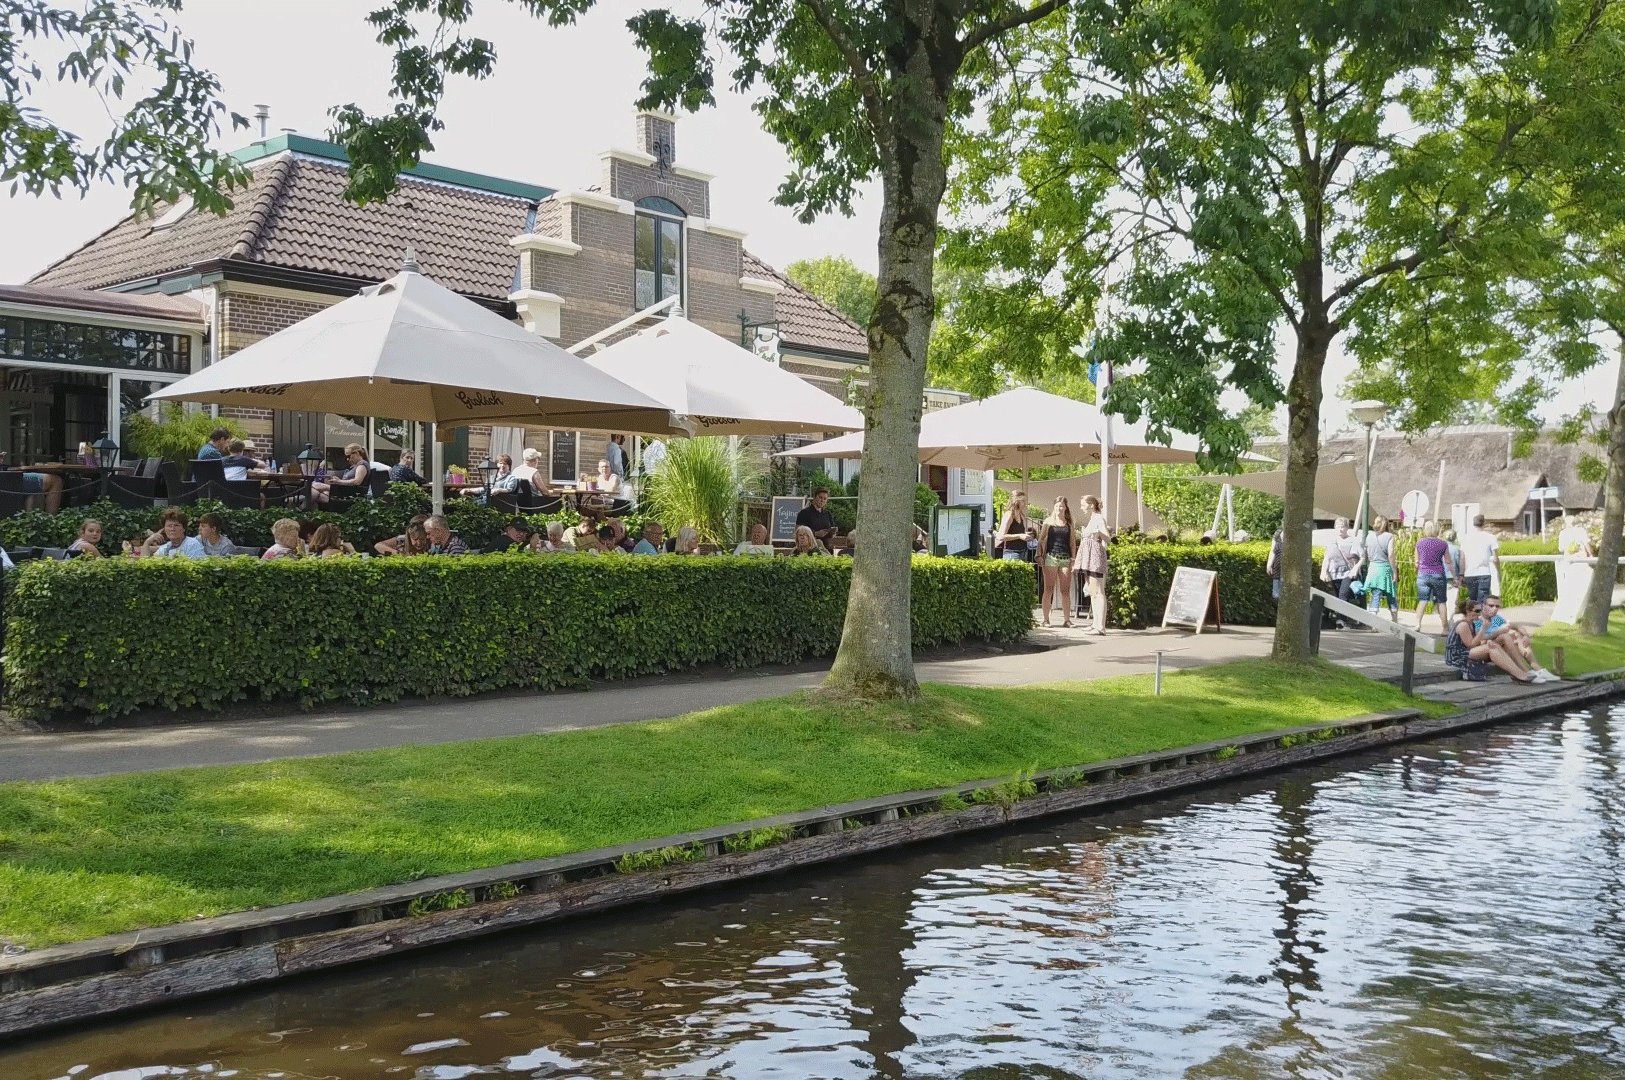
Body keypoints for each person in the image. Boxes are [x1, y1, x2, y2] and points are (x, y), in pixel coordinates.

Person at [1447, 596, 1536, 684]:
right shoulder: (1463, 625)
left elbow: (1477, 642)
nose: (1479, 614)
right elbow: (1471, 645)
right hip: (1457, 656)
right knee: (1491, 648)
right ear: (1468, 611)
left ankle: (1520, 673)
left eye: (1480, 611)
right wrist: (1483, 629)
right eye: (1477, 611)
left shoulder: (1471, 624)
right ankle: (1520, 674)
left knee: (1493, 646)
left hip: (1466, 652)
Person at [1476, 595, 1557, 681]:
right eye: (1491, 606)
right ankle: (1525, 671)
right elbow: (1481, 639)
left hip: (1499, 647)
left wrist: (1525, 635)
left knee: (1516, 635)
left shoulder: (1496, 619)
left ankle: (1538, 669)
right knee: (1505, 636)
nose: (1495, 608)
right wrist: (1499, 631)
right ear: (1483, 606)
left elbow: (1517, 626)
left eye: (1497, 606)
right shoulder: (1478, 620)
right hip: (1488, 649)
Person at [1411, 520, 1458, 635]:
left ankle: (1417, 624)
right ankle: (1445, 628)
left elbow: (1416, 562)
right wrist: (1455, 576)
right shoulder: (1443, 544)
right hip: (1438, 575)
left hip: (1423, 574)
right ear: (1437, 530)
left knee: (1423, 600)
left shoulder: (1420, 543)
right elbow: (1448, 562)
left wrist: (1419, 569)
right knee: (1441, 602)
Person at [1037, 496, 1076, 628]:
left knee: (1065, 590)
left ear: (1065, 507)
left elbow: (1072, 543)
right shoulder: (1048, 522)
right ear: (1054, 507)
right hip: (1051, 557)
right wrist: (1040, 555)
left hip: (1065, 558)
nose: (1059, 508)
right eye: (1057, 506)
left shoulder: (1069, 523)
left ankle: (1067, 620)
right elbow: (1041, 539)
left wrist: (1073, 559)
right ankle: (1046, 619)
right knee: (1048, 589)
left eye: (1062, 506)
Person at [1073, 494, 1109, 635]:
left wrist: (1099, 532)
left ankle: (1101, 626)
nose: (1082, 507)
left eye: (1083, 505)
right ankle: (1096, 624)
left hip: (1094, 558)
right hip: (1088, 559)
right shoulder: (1092, 519)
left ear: (1091, 505)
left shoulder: (1099, 519)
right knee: (1093, 592)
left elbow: (1108, 538)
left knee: (1098, 592)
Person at [1319, 517, 1363, 629]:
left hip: (1348, 573)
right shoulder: (1332, 541)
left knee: (1343, 594)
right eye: (1338, 527)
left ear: (1347, 528)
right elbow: (1327, 558)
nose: (1340, 529)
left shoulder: (1353, 541)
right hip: (1334, 573)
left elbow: (1363, 557)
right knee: (1337, 596)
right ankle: (1340, 619)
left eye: (1343, 527)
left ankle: (1341, 620)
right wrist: (1323, 571)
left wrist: (1355, 568)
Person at [1363, 516, 1399, 620]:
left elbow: (1366, 553)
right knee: (1390, 593)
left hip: (1373, 567)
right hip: (1385, 568)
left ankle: (1373, 620)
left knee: (1375, 594)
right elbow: (1391, 555)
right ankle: (1394, 619)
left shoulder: (1369, 536)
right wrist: (1395, 572)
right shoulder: (1390, 536)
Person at [1461, 513, 1500, 604]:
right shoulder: (1491, 537)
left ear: (1473, 524)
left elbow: (1462, 557)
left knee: (1473, 600)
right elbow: (1495, 558)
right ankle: (1482, 617)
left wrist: (1461, 574)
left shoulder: (1466, 538)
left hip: (1469, 573)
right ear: (1484, 523)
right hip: (1484, 572)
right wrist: (1498, 571)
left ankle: (1474, 617)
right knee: (1482, 599)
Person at [139, 508, 206, 558]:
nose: (172, 529)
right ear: (164, 529)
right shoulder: (165, 548)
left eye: (176, 525)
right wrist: (147, 542)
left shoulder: (193, 544)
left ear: (184, 528)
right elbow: (146, 564)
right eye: (169, 526)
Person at [796, 488, 839, 552]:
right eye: (820, 497)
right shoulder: (804, 513)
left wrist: (833, 532)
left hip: (827, 545)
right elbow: (799, 530)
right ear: (814, 497)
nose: (822, 500)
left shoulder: (827, 514)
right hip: (811, 546)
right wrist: (816, 533)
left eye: (825, 499)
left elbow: (831, 527)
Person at [996, 492, 1032, 561]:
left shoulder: (1022, 515)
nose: (1025, 504)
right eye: (1023, 501)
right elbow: (1001, 536)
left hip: (1023, 551)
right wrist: (1019, 536)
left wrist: (1026, 535)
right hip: (1011, 553)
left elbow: (1022, 533)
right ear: (1016, 502)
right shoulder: (1009, 515)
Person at [1441, 526, 1465, 616]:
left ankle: (1443, 617)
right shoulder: (1457, 549)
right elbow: (1459, 563)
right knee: (1451, 600)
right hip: (1452, 576)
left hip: (1440, 575)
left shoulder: (1440, 548)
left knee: (1441, 599)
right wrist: (1460, 576)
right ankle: (1449, 617)